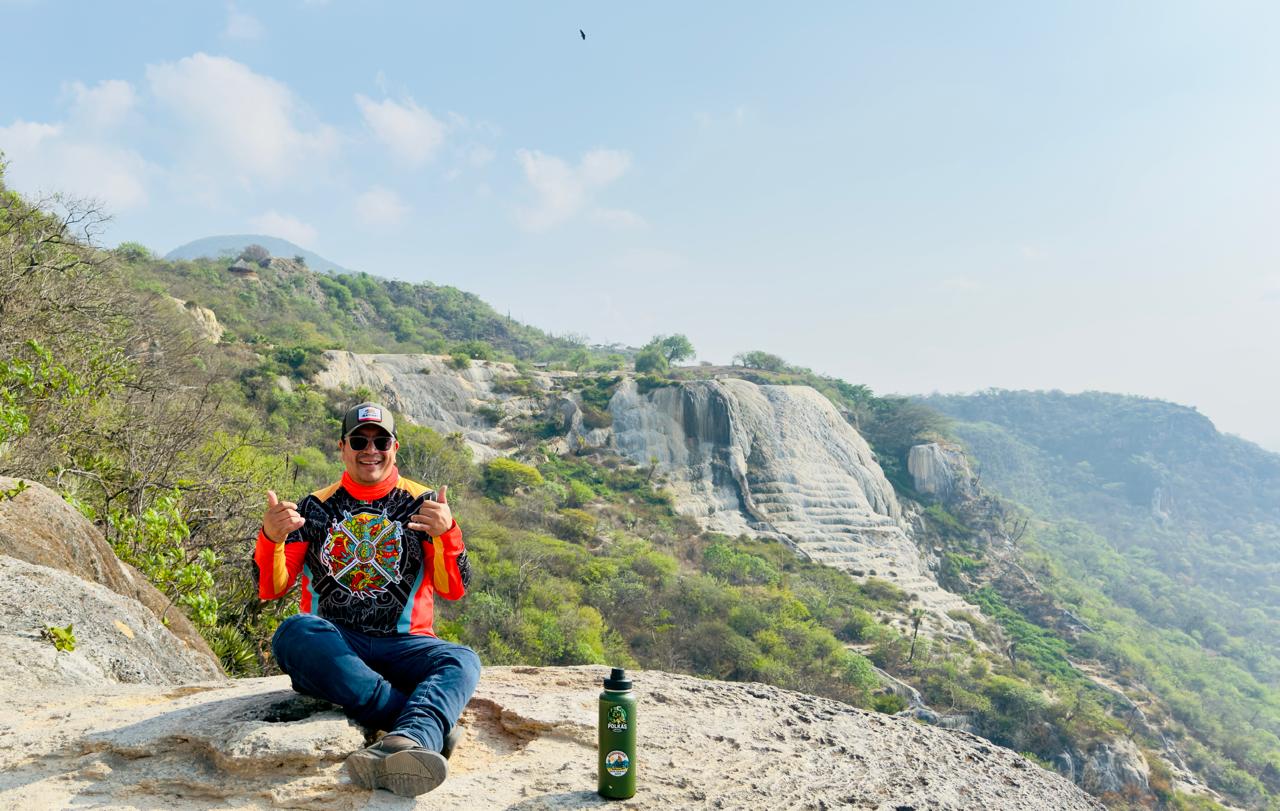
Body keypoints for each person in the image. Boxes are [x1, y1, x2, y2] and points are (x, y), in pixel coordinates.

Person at [254, 402, 480, 797]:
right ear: (342, 447)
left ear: (395, 447)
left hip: (406, 646)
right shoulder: (313, 509)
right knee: (295, 631)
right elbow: (270, 588)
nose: (370, 449)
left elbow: (454, 589)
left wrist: (447, 534)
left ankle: (408, 736)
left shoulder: (424, 505)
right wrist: (271, 538)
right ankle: (417, 727)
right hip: (336, 647)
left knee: (462, 659)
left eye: (381, 441)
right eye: (359, 440)